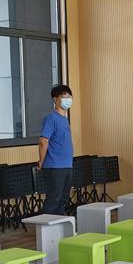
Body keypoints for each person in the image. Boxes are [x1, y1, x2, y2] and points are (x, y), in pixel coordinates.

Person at [38, 84, 74, 215]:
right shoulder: (50, 118)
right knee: (53, 199)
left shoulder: (64, 119)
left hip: (67, 165)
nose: (67, 99)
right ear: (55, 99)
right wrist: (41, 161)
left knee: (63, 199)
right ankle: (45, 225)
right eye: (64, 96)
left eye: (69, 96)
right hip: (54, 166)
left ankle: (59, 224)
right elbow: (43, 141)